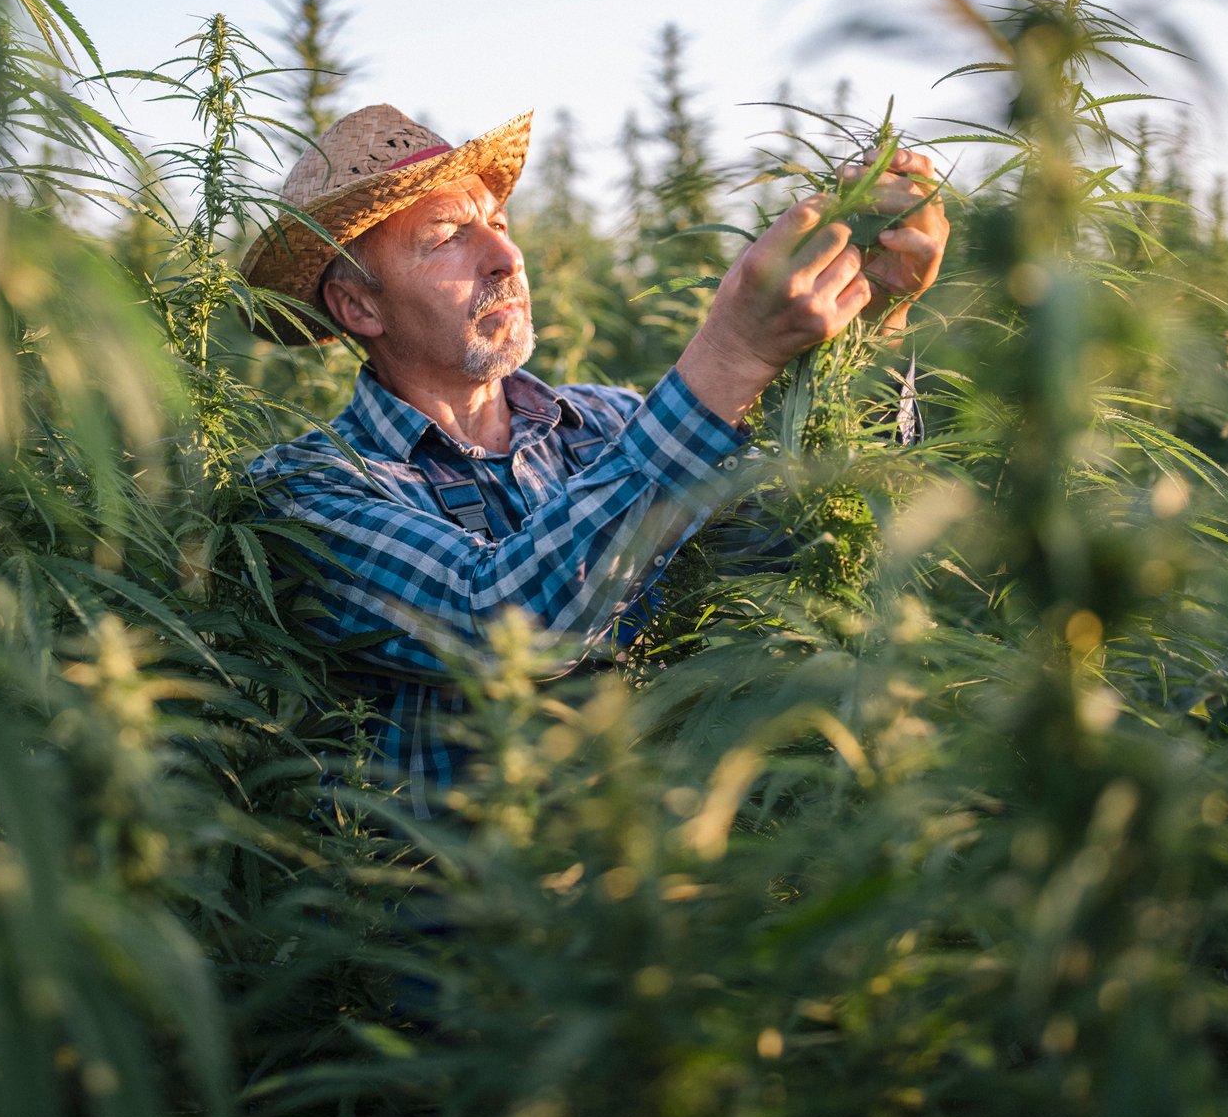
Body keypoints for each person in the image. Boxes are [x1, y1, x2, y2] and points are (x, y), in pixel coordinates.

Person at [243, 104, 949, 817]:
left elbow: (806, 540)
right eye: (449, 236)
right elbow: (496, 626)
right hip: (475, 914)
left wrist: (873, 320)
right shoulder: (304, 492)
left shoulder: (611, 422)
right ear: (359, 307)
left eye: (499, 223)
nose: (505, 256)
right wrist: (730, 356)